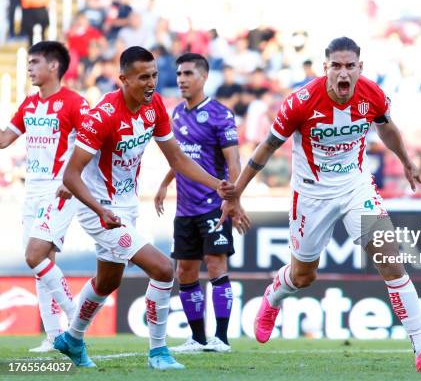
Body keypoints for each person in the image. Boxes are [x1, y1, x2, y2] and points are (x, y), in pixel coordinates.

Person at [218, 37, 421, 372]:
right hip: (312, 195)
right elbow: (266, 147)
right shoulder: (300, 102)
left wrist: (405, 159)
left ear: (360, 67)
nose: (343, 74)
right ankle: (273, 295)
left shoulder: (371, 94)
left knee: (390, 258)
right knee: (303, 276)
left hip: (356, 188)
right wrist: (237, 193)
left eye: (350, 66)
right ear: (325, 68)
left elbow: (387, 129)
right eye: (337, 67)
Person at [56, 46, 248, 369]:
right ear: (123, 80)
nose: (151, 83)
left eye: (155, 75)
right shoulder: (102, 116)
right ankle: (158, 352)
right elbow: (71, 176)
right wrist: (100, 210)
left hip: (125, 205)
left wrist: (217, 184)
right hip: (97, 208)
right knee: (162, 268)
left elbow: (177, 159)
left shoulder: (154, 105)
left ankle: (72, 339)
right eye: (143, 77)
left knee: (107, 281)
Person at [0, 41, 89, 352]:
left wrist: (73, 177)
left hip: (59, 188)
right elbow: (3, 140)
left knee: (35, 256)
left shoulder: (75, 103)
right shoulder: (28, 104)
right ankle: (54, 336)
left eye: (35, 62)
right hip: (32, 190)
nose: (29, 68)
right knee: (40, 264)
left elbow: (93, 143)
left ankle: (77, 319)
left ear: (54, 66)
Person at [154, 53, 240, 353]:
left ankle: (222, 338)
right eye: (179, 74)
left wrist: (233, 199)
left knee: (216, 266)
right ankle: (198, 338)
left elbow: (233, 161)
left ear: (203, 77)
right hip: (184, 209)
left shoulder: (220, 115)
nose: (181, 79)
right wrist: (165, 183)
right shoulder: (176, 114)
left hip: (212, 206)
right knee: (185, 273)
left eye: (188, 73)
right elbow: (181, 158)